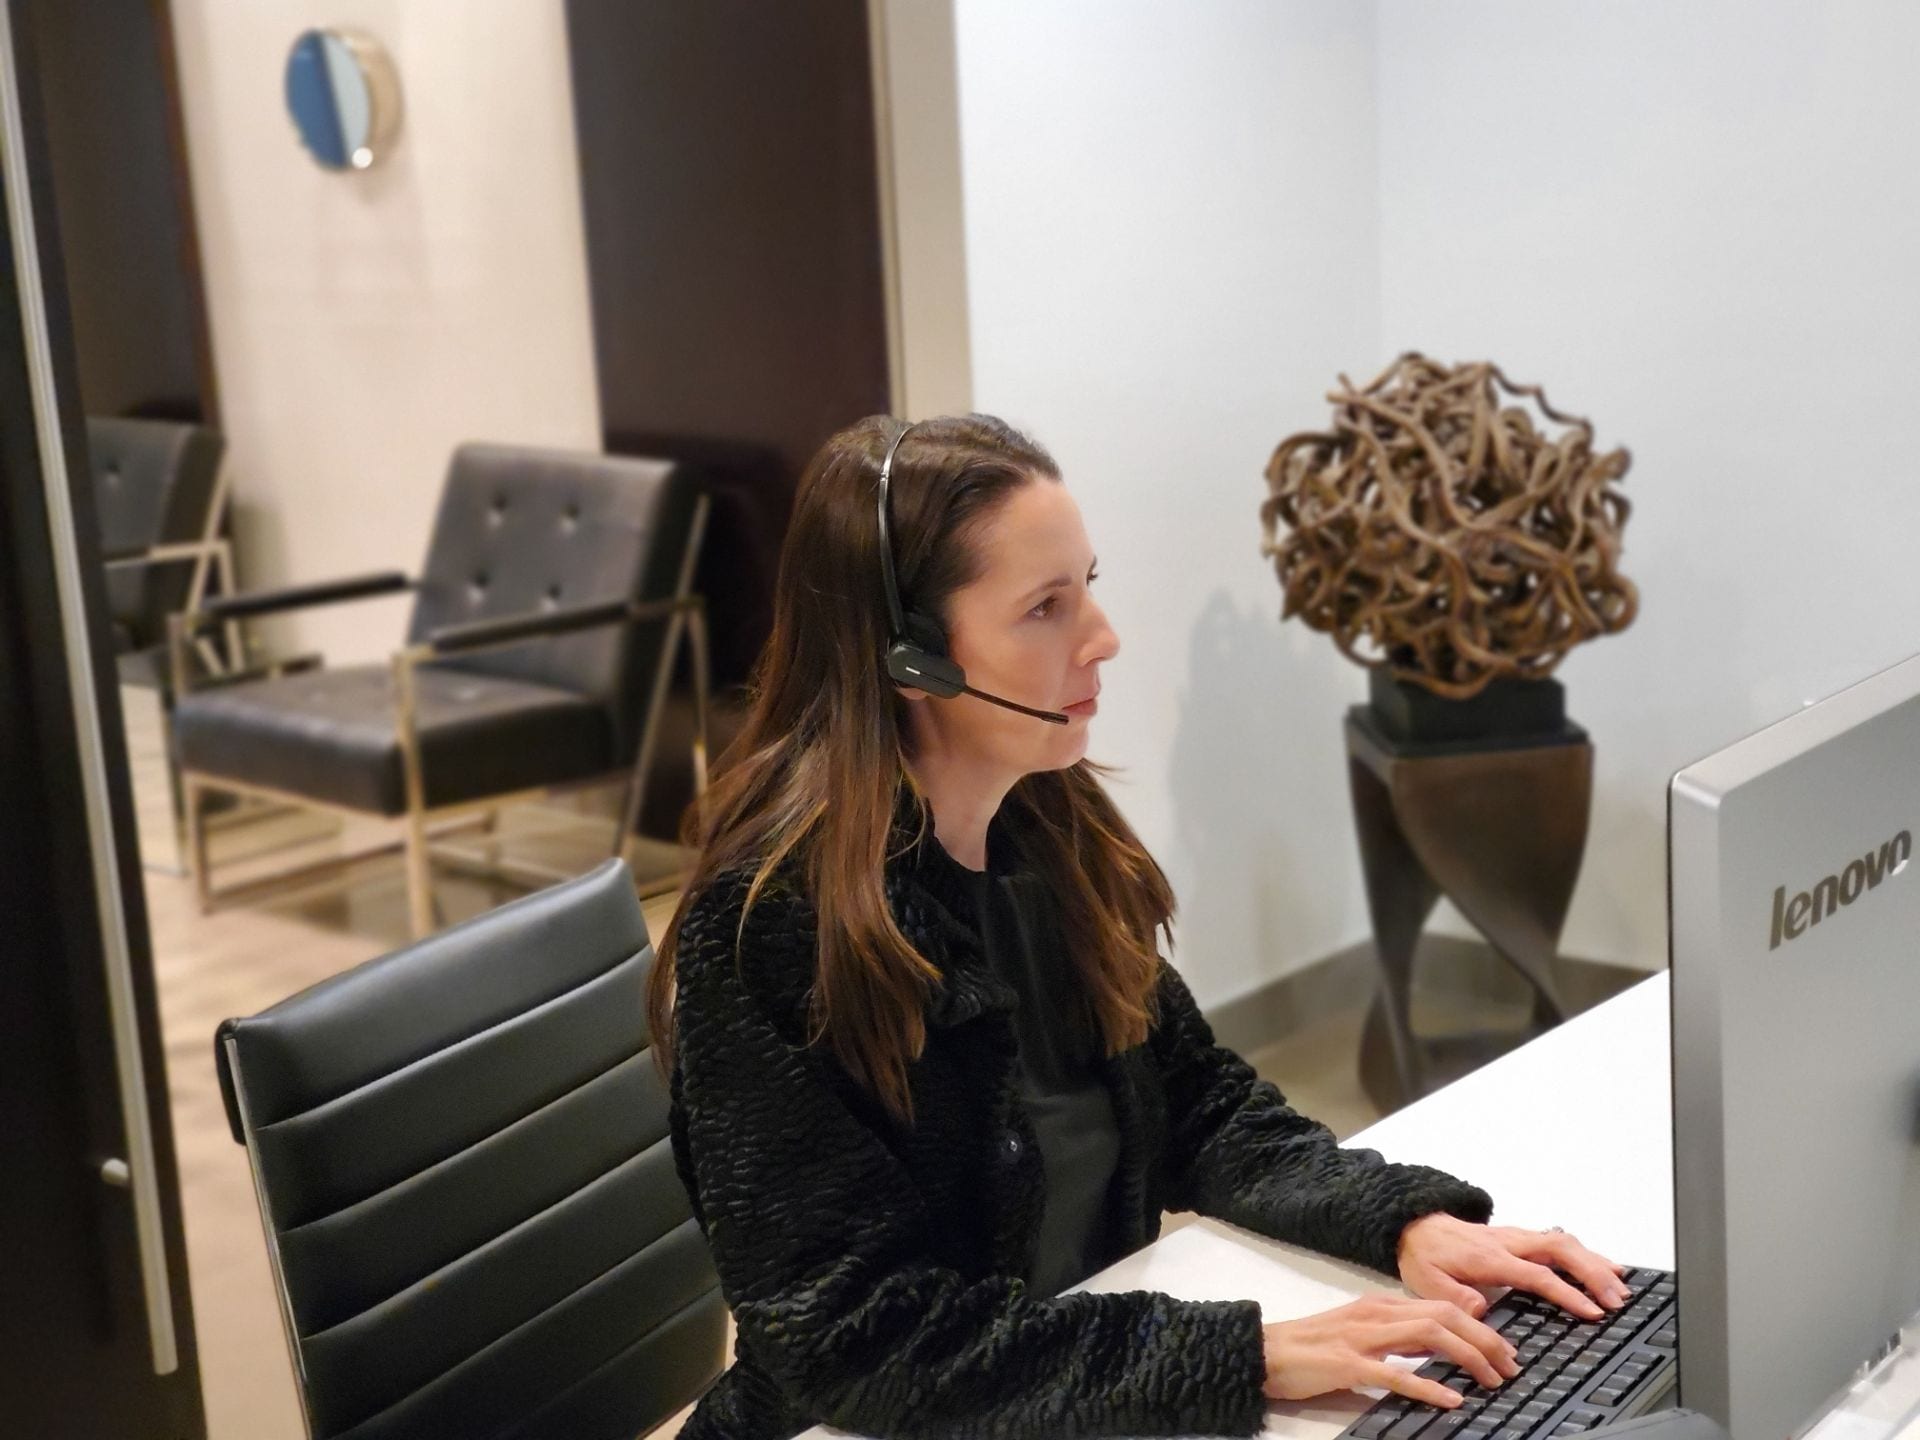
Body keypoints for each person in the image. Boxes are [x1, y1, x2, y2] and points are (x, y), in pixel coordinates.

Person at [648, 414, 1628, 1439]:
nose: (1102, 636)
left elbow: (1197, 1102)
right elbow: (851, 1339)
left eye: (1089, 586)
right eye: (1045, 608)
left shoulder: (1046, 828)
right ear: (912, 658)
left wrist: (1402, 1220)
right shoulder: (772, 930)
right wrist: (1235, 1356)